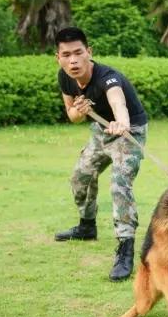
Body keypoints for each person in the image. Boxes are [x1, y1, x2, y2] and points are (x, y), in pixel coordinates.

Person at [53, 27, 148, 282]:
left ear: (88, 52)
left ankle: (126, 247)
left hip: (129, 133)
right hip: (100, 131)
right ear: (58, 57)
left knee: (119, 184)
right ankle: (86, 226)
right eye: (66, 55)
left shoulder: (108, 78)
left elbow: (118, 102)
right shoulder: (65, 78)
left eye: (78, 53)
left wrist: (121, 122)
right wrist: (79, 111)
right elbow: (71, 115)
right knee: (79, 177)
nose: (73, 60)